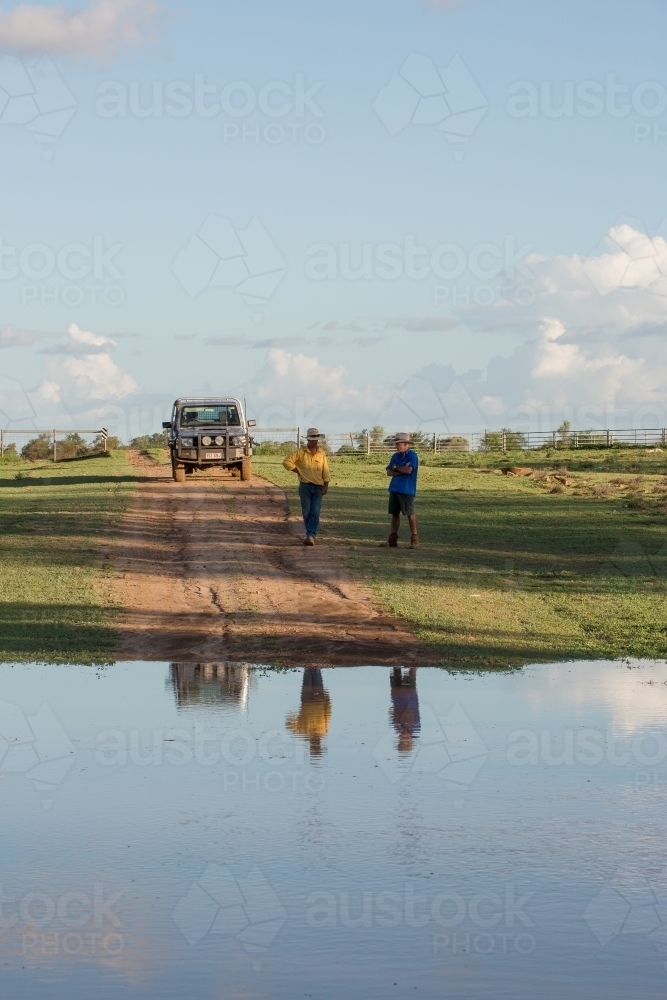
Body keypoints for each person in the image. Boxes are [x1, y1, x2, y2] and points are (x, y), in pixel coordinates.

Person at [283, 428, 330, 546]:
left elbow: (325, 470)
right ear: (308, 439)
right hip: (305, 487)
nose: (314, 442)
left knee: (315, 512)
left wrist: (326, 485)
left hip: (318, 487)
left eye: (316, 439)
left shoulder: (321, 453)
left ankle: (310, 534)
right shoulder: (300, 452)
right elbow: (286, 462)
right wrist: (297, 470)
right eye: (312, 439)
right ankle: (310, 533)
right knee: (306, 512)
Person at [386, 432, 419, 547]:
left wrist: (396, 468)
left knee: (410, 513)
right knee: (394, 514)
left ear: (405, 444)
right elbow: (388, 472)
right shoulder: (395, 456)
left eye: (399, 444)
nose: (397, 446)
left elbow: (409, 470)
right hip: (394, 488)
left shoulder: (412, 456)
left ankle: (414, 537)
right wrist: (400, 470)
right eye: (396, 444)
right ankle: (393, 537)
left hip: (407, 489)